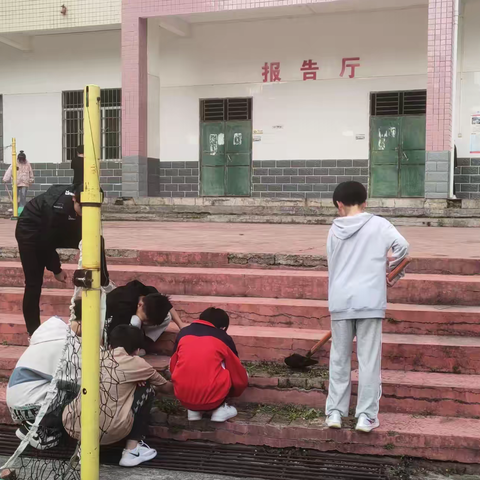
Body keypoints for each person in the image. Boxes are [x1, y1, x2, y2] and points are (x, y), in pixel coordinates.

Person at [325, 181, 409, 433]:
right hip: (370, 300)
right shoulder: (380, 225)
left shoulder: (334, 229)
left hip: (340, 300)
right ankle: (366, 416)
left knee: (339, 358)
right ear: (365, 202)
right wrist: (388, 268)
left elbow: (333, 265)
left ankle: (335, 413)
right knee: (368, 359)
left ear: (339, 204)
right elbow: (402, 247)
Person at [62, 324, 174, 468]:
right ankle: (132, 450)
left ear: (109, 344)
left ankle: (84, 449)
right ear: (137, 350)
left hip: (72, 425)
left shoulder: (94, 356)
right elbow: (167, 389)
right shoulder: (138, 363)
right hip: (111, 431)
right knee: (146, 388)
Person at [15, 183, 109, 336]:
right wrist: (56, 270)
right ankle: (33, 333)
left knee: (96, 239)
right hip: (31, 231)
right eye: (82, 209)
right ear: (74, 199)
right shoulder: (54, 209)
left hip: (60, 226)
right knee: (33, 283)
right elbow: (46, 242)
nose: (86, 213)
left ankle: (104, 280)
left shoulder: (83, 197)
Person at [7, 301, 82, 450]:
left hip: (20, 399)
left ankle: (39, 425)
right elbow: (79, 379)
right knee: (79, 389)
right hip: (29, 403)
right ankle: (35, 428)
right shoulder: (64, 344)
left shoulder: (51, 336)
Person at [170, 307, 248, 422]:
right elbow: (236, 371)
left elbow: (173, 365)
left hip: (183, 397)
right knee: (236, 369)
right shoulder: (223, 337)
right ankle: (220, 409)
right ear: (222, 328)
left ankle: (193, 411)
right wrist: (237, 390)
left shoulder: (183, 333)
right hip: (214, 398)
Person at [106, 280, 185, 353]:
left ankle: (145, 342)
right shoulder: (121, 309)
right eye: (143, 319)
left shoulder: (149, 293)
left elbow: (166, 305)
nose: (144, 322)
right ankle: (135, 346)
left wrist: (181, 326)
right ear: (140, 304)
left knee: (168, 316)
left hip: (132, 318)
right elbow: (113, 335)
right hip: (116, 320)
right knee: (135, 322)